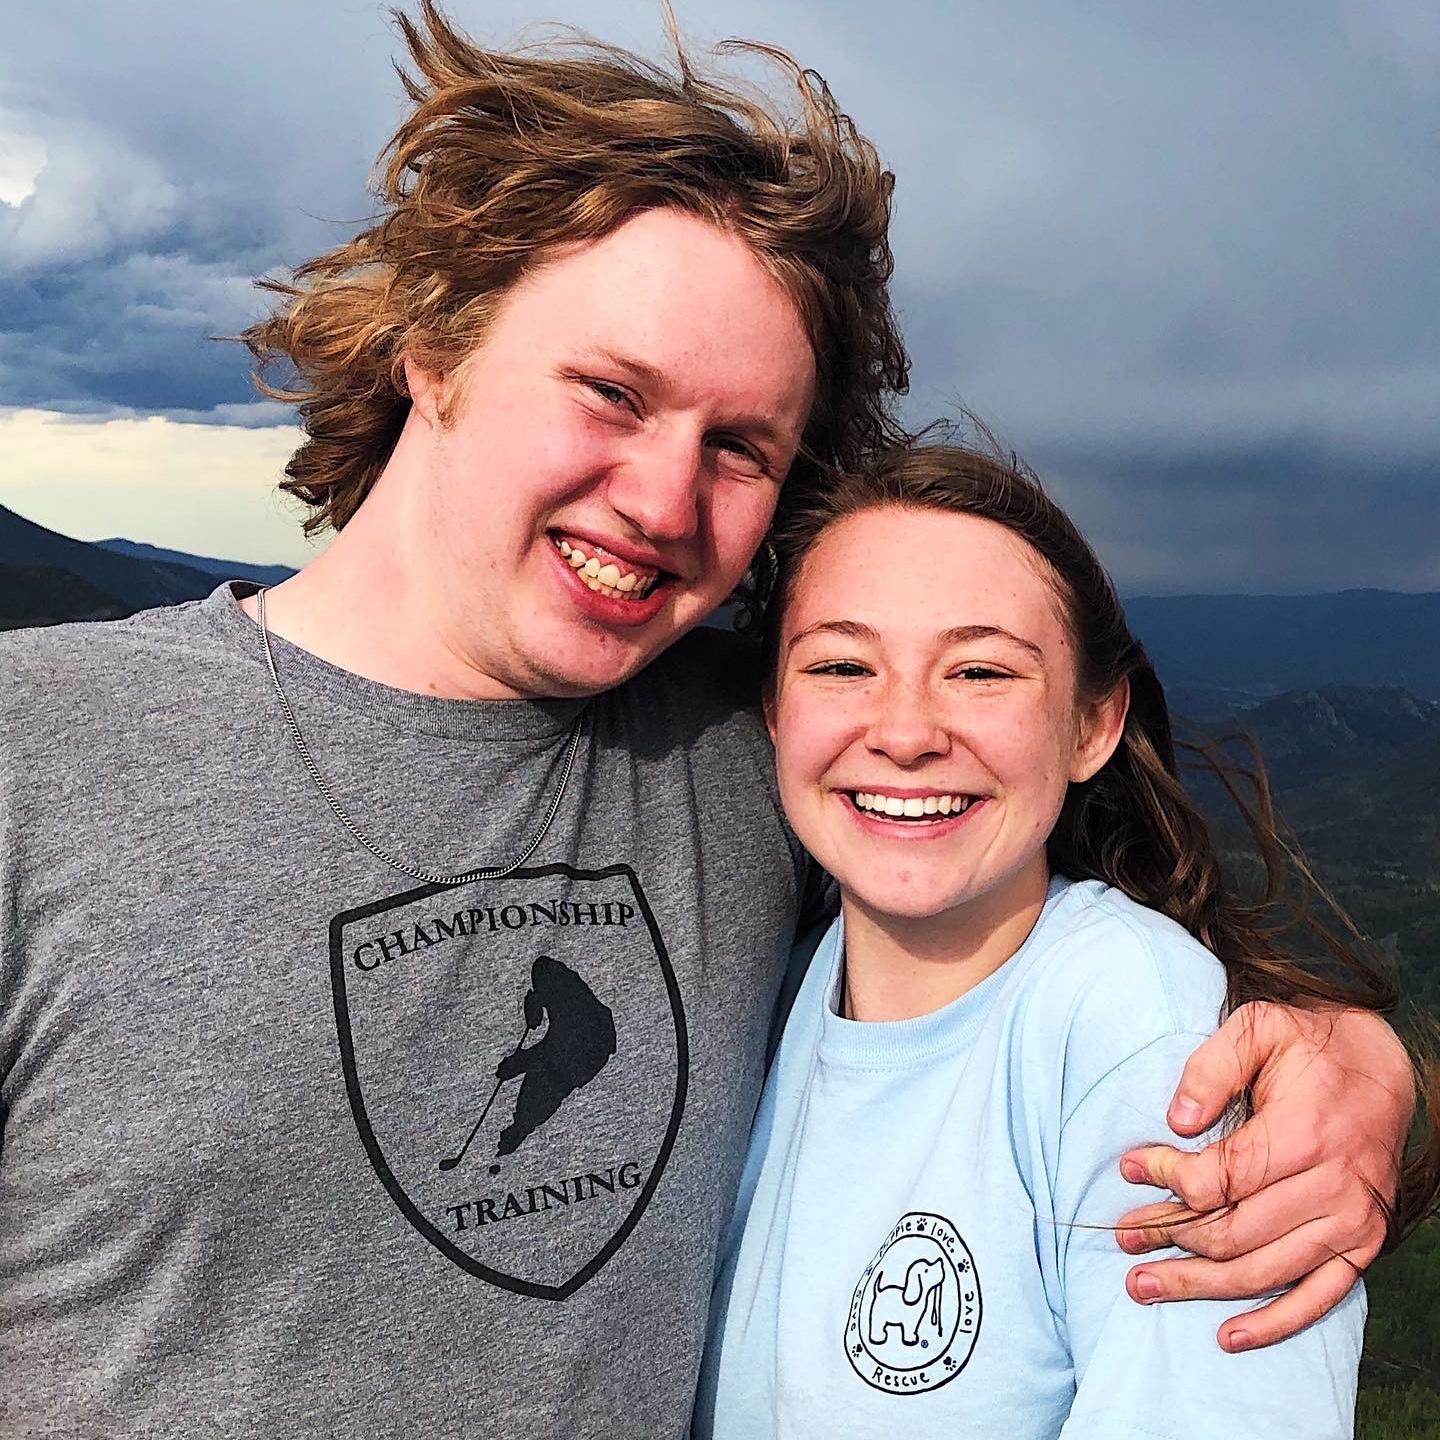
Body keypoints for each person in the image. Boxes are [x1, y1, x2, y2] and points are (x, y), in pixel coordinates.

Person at [0, 6, 1418, 1436]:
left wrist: (1351, 1067)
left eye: (740, 448)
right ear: (434, 351)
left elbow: (1041, 955)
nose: (666, 504)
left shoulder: (749, 759)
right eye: (613, 393)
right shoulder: (38, 755)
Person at [695, 441, 1440, 1437]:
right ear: (776, 715)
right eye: (841, 663)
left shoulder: (1142, 1038)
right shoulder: (773, 994)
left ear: (1092, 724)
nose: (905, 729)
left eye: (980, 670)